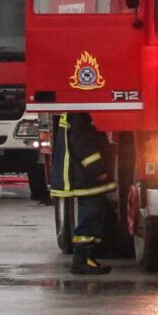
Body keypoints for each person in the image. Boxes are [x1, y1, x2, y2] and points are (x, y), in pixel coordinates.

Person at [56, 112, 116, 275]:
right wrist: (98, 168)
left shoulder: (76, 112)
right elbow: (81, 143)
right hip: (86, 178)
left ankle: (88, 259)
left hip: (85, 177)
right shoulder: (80, 115)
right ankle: (81, 261)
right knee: (90, 217)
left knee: (94, 217)